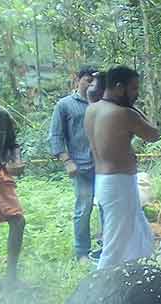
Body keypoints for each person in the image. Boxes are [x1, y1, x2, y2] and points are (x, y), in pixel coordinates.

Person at [84, 66, 159, 270]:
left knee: (141, 235)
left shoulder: (92, 109)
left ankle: (141, 273)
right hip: (119, 184)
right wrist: (136, 110)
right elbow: (154, 134)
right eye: (134, 89)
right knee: (115, 245)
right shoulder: (124, 114)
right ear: (118, 87)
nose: (137, 94)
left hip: (104, 181)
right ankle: (98, 290)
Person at [48, 66, 98, 263]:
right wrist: (67, 161)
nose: (91, 85)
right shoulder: (65, 105)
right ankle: (82, 252)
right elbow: (55, 136)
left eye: (94, 82)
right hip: (81, 166)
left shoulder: (102, 104)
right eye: (87, 80)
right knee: (84, 209)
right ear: (77, 80)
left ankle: (106, 247)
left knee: (106, 207)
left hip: (104, 166)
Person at [0, 70, 26, 290]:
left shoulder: (1, 114)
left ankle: (11, 275)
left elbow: (12, 144)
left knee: (18, 221)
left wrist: (16, 160)